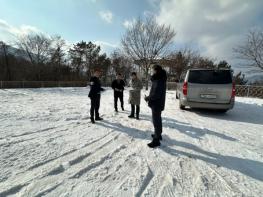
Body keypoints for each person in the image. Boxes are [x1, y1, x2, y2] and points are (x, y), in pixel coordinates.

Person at [145, 64, 167, 148]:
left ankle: (156, 140)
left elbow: (156, 94)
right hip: (157, 103)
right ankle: (158, 135)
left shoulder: (159, 80)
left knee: (156, 121)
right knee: (158, 120)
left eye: (153, 70)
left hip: (156, 104)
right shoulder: (159, 78)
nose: (152, 71)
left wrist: (148, 98)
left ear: (156, 70)